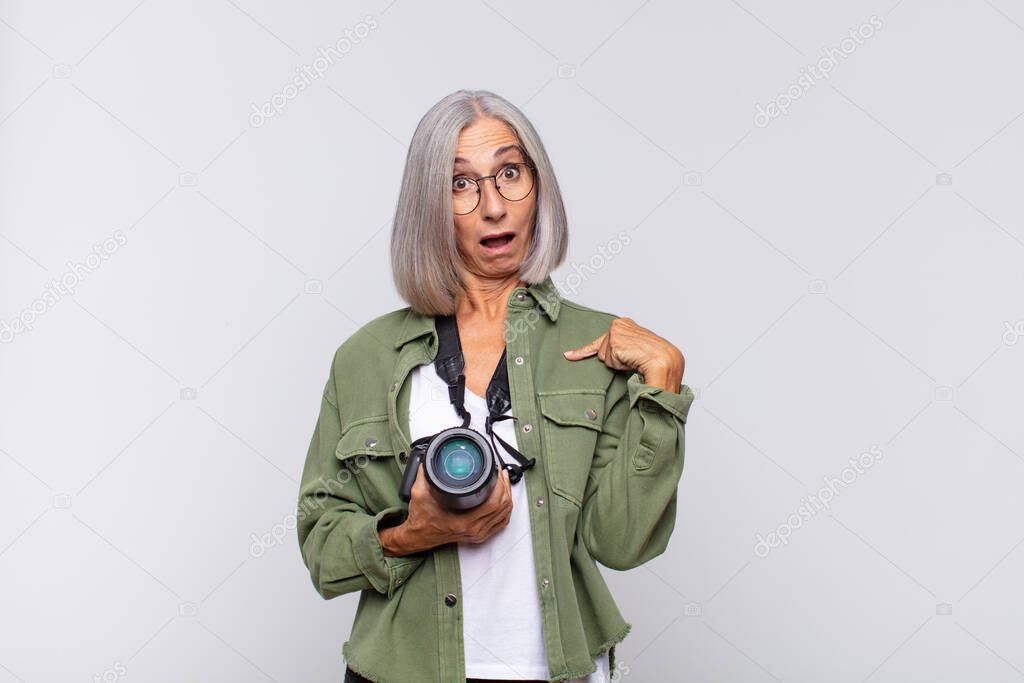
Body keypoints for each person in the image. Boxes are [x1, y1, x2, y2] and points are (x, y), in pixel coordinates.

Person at [297, 89, 694, 683]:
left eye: (510, 172)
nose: (493, 206)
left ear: (539, 186)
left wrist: (663, 383)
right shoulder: (367, 357)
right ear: (428, 206)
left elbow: (623, 543)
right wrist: (411, 534)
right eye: (461, 183)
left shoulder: (599, 347)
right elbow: (321, 546)